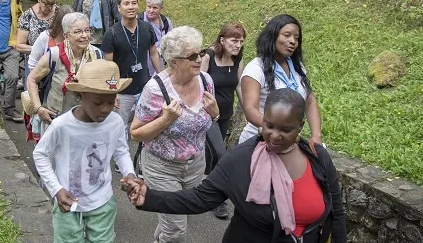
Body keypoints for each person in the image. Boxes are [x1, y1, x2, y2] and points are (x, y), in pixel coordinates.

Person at [121, 89, 346, 243]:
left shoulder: (318, 158)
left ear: (300, 127)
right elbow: (199, 199)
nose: (275, 136)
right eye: (269, 125)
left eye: (286, 130)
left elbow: (336, 211)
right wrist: (149, 197)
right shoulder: (240, 161)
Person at [129, 26, 219, 243]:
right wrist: (165, 120)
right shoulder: (156, 88)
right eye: (192, 56)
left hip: (196, 164)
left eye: (201, 52)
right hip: (162, 168)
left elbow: (211, 117)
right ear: (174, 61)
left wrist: (216, 113)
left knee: (174, 220)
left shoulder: (206, 80)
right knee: (176, 229)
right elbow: (135, 133)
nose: (199, 59)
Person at [33, 59, 138, 243]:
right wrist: (56, 189)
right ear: (81, 95)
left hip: (102, 201)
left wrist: (129, 173)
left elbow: (121, 151)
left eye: (111, 101)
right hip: (67, 203)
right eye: (98, 102)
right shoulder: (62, 125)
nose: (105, 109)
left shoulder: (115, 122)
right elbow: (40, 154)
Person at [238, 14, 322, 145]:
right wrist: (281, 131)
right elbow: (250, 109)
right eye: (287, 35)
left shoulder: (297, 67)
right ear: (273, 36)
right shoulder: (255, 68)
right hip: (258, 142)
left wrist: (316, 136)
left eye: (296, 38)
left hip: (290, 142)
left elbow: (310, 102)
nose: (293, 41)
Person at [26, 12, 103, 135]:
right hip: (56, 122)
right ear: (66, 35)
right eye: (78, 32)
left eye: (87, 30)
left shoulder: (97, 55)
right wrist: (38, 108)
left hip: (87, 122)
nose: (84, 35)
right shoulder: (54, 55)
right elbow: (32, 79)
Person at [199, 21, 246, 219]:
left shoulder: (237, 59)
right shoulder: (209, 56)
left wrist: (248, 109)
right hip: (208, 114)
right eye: (234, 41)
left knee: (211, 157)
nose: (238, 45)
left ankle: (204, 187)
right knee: (220, 153)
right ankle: (219, 200)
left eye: (241, 41)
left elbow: (239, 86)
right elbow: (198, 84)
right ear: (222, 40)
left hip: (226, 114)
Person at [101, 0, 161, 136]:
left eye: (134, 3)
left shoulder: (147, 28)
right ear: (119, 8)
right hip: (123, 91)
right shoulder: (112, 33)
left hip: (144, 87)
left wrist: (161, 75)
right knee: (120, 127)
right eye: (126, 3)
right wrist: (112, 92)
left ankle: (142, 155)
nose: (130, 7)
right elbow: (108, 65)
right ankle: (121, 155)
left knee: (146, 124)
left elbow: (153, 52)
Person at [17, 0, 60, 81]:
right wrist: (38, 50)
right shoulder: (27, 16)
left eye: (52, 4)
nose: (49, 7)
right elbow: (19, 45)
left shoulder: (59, 13)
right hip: (34, 61)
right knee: (30, 89)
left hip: (55, 61)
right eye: (46, 3)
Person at [139, 0, 173, 75]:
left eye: (155, 8)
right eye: (149, 7)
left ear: (161, 9)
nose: (151, 10)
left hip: (158, 67)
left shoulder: (166, 22)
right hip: (141, 69)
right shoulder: (138, 21)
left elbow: (170, 42)